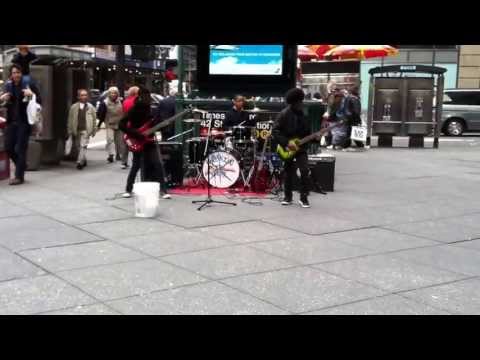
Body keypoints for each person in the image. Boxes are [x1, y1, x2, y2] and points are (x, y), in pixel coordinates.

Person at [118, 86, 171, 199]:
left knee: (158, 164)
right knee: (136, 166)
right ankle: (128, 189)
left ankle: (164, 190)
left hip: (150, 140)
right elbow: (121, 124)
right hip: (137, 139)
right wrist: (136, 134)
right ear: (140, 97)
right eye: (145, 96)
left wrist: (163, 126)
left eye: (148, 96)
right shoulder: (134, 109)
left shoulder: (152, 109)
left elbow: (157, 122)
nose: (148, 99)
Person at [0, 64, 42, 185]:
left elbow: (39, 101)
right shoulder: (8, 86)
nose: (16, 75)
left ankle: (19, 177)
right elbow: (3, 103)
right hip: (11, 122)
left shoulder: (29, 85)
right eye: (14, 73)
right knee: (8, 147)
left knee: (20, 149)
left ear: (21, 74)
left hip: (24, 122)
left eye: (18, 72)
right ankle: (22, 164)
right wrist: (2, 98)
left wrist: (32, 95)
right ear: (11, 75)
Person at [272, 88, 312, 208]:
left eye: (301, 101)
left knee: (304, 170)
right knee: (288, 172)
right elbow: (275, 131)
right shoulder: (284, 114)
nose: (301, 104)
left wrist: (316, 137)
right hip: (287, 147)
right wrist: (286, 142)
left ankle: (303, 198)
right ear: (293, 102)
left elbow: (308, 132)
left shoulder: (305, 114)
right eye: (299, 102)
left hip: (301, 147)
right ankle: (287, 197)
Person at [97, 87, 128, 168]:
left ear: (117, 94)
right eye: (111, 93)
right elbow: (101, 114)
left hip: (119, 124)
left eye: (115, 93)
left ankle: (119, 154)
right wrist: (99, 125)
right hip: (109, 123)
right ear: (109, 94)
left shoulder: (121, 101)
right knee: (110, 139)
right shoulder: (105, 103)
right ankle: (111, 154)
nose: (113, 94)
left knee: (119, 141)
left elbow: (125, 112)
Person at [67, 89, 98, 170]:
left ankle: (79, 162)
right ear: (78, 97)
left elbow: (94, 119)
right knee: (78, 146)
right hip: (76, 129)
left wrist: (94, 129)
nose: (84, 97)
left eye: (85, 95)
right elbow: (70, 119)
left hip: (86, 130)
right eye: (82, 95)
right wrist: (69, 130)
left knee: (83, 146)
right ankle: (83, 160)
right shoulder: (73, 107)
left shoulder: (90, 107)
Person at [343, 86, 365, 150]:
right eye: (359, 90)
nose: (360, 92)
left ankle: (348, 145)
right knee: (353, 132)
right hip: (353, 118)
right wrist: (359, 120)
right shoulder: (354, 99)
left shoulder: (348, 97)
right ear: (356, 91)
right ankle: (347, 146)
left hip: (348, 117)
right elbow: (356, 111)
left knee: (350, 132)